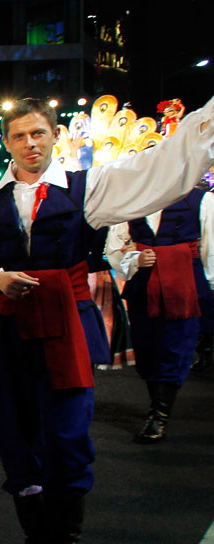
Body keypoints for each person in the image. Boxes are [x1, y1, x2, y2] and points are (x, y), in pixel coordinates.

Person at [0, 94, 214, 544]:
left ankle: (67, 541)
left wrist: (204, 124)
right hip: (6, 332)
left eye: (39, 133)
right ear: (6, 142)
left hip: (66, 327)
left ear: (54, 135)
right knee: (14, 436)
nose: (30, 143)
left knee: (67, 437)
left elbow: (158, 171)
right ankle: (35, 540)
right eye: (20, 135)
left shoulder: (86, 188)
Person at [106, 181, 214, 442]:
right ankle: (157, 405)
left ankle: (159, 415)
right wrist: (134, 260)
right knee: (147, 349)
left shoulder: (202, 200)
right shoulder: (131, 199)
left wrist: (209, 286)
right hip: (144, 286)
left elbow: (210, 247)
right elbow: (114, 247)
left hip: (185, 284)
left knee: (175, 348)